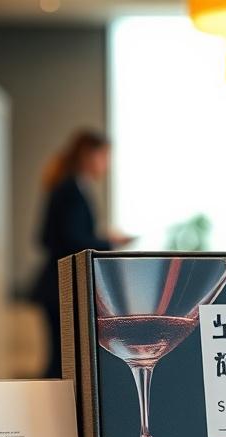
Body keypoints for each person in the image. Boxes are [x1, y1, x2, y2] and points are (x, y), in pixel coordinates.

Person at [34, 129, 132, 378]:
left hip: (58, 285)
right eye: (104, 156)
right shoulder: (70, 189)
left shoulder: (72, 186)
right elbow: (68, 239)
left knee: (61, 357)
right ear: (89, 155)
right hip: (61, 286)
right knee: (62, 359)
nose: (106, 164)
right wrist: (107, 241)